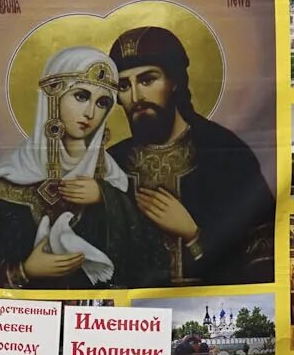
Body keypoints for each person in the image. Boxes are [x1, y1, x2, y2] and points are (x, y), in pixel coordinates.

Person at [0, 46, 168, 289]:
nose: (90, 112)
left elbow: (150, 263)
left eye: (102, 102)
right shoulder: (3, 184)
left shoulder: (115, 179)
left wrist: (106, 198)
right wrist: (23, 271)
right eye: (81, 96)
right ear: (53, 97)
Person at [106, 26, 276, 286]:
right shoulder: (111, 163)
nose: (136, 96)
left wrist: (194, 236)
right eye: (124, 85)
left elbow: (263, 257)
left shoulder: (224, 153)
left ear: (174, 81)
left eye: (147, 80)